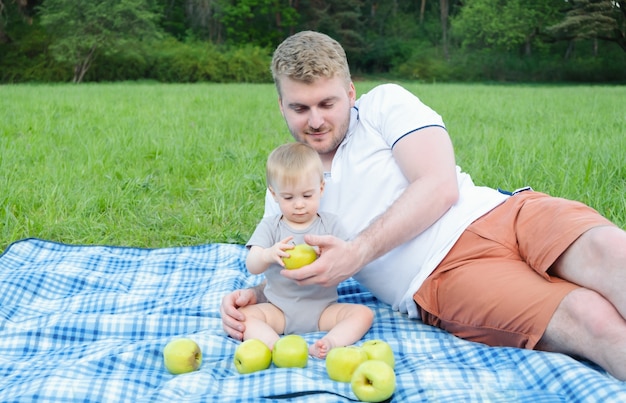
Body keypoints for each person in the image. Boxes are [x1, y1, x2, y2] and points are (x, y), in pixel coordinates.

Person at [220, 30, 626, 380]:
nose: (315, 121)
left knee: (610, 251)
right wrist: (256, 296)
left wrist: (356, 252)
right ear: (281, 107)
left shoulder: (383, 105)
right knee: (588, 315)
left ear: (350, 93)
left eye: (327, 104)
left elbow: (439, 185)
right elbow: (293, 264)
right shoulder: (291, 187)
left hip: (504, 212)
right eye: (300, 108)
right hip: (440, 276)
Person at [240, 142, 373, 358]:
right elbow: (252, 265)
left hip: (323, 309)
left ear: (321, 188)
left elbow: (349, 259)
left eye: (307, 195)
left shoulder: (330, 225)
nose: (299, 204)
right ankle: (276, 346)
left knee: (363, 314)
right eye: (289, 197)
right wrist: (267, 254)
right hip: (279, 309)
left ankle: (330, 342)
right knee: (242, 317)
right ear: (274, 195)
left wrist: (330, 255)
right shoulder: (271, 226)